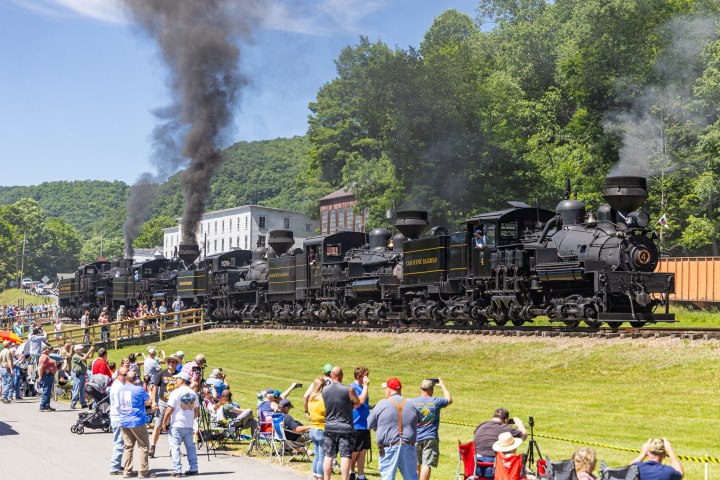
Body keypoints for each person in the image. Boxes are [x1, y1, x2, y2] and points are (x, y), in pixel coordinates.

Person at [367, 377, 419, 480]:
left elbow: (369, 424)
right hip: (409, 445)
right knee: (411, 478)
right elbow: (419, 421)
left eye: (386, 389)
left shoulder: (381, 404)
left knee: (387, 477)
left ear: (389, 391)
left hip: (389, 446)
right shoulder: (412, 403)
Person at [322, 366, 369, 480]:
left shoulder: (324, 390)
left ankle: (326, 478)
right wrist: (349, 405)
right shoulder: (349, 389)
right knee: (345, 456)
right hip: (345, 427)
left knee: (328, 456)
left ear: (331, 376)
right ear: (342, 376)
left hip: (329, 426)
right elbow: (358, 403)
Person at [411, 378, 452, 480]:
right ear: (431, 390)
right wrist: (442, 386)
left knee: (415, 464)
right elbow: (449, 400)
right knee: (426, 464)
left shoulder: (412, 402)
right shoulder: (436, 401)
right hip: (430, 437)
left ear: (421, 388)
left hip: (415, 437)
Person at [162, 371, 199, 477]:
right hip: (188, 424)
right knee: (190, 447)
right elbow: (196, 410)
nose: (176, 381)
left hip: (177, 424)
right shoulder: (193, 393)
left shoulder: (176, 392)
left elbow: (169, 409)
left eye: (177, 379)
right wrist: (191, 418)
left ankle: (177, 469)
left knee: (175, 447)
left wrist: (165, 422)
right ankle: (194, 467)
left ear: (182, 380)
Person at [119, 370, 155, 478]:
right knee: (143, 446)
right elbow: (148, 401)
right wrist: (150, 392)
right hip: (137, 420)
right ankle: (143, 471)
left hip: (124, 420)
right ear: (135, 379)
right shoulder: (138, 389)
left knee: (128, 446)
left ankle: (127, 470)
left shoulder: (121, 389)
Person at [473, 408, 527, 478]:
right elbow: (524, 435)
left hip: (476, 467)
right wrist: (520, 424)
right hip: (495, 469)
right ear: (506, 420)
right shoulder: (505, 428)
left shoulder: (480, 426)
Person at [150, 355, 181, 458]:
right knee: (158, 425)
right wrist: (153, 401)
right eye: (169, 362)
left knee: (174, 426)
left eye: (173, 362)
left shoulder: (179, 375)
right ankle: (152, 447)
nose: (171, 364)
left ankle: (173, 448)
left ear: (176, 364)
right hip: (163, 402)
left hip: (175, 404)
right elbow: (155, 388)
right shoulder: (162, 373)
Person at [350, 367, 371, 480]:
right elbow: (360, 401)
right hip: (356, 424)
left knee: (363, 451)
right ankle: (350, 472)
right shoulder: (353, 388)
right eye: (365, 376)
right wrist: (366, 386)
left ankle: (361, 476)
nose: (367, 378)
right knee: (355, 451)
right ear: (359, 376)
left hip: (365, 424)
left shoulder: (363, 388)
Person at [109, 366, 128, 476]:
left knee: (121, 442)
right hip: (118, 417)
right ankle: (114, 467)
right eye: (124, 375)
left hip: (119, 417)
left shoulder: (120, 385)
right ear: (119, 375)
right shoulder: (118, 387)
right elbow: (118, 405)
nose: (127, 377)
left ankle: (117, 464)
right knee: (119, 442)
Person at [307, 378, 327, 480]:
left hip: (313, 428)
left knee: (317, 455)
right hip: (321, 428)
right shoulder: (322, 400)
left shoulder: (311, 398)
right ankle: (321, 476)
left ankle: (315, 475)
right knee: (322, 457)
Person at [71, 344, 94, 409]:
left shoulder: (82, 354)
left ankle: (83, 403)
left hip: (83, 374)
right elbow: (83, 359)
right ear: (77, 350)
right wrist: (90, 350)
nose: (82, 350)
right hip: (78, 375)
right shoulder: (75, 356)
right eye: (80, 349)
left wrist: (92, 350)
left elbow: (91, 356)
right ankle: (73, 403)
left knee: (82, 390)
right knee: (76, 389)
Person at [37, 344, 57, 412]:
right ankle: (42, 406)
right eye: (48, 349)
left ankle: (47, 406)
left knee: (48, 391)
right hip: (47, 376)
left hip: (49, 375)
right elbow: (40, 367)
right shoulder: (44, 357)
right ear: (45, 350)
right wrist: (40, 377)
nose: (49, 350)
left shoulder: (46, 356)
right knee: (46, 391)